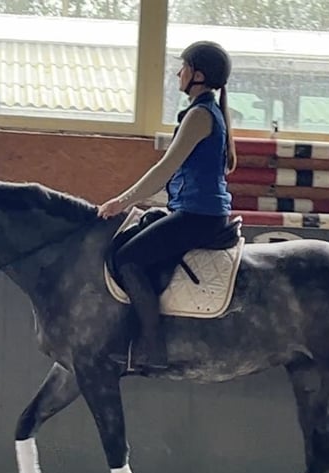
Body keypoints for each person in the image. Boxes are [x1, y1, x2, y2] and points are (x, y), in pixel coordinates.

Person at [98, 40, 237, 372]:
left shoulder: (201, 115)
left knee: (127, 258)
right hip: (192, 211)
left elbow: (164, 169)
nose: (179, 72)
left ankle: (152, 345)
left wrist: (122, 201)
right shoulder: (206, 112)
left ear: (198, 75)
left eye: (184, 67)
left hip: (198, 216)